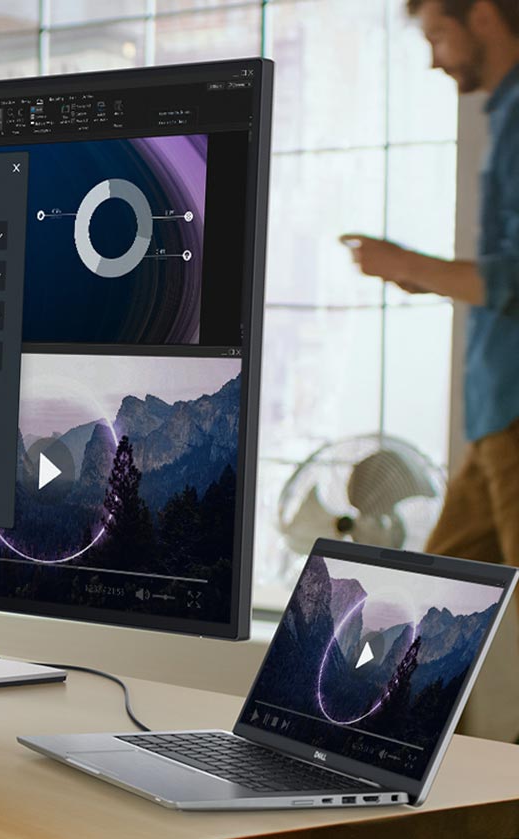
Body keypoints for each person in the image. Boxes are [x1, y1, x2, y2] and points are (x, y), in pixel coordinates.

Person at [349, 0, 519, 743]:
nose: (434, 58)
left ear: (484, 15)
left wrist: (407, 265)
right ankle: (419, 766)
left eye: (438, 36)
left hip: (513, 417)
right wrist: (420, 276)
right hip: (493, 419)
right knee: (432, 609)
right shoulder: (506, 115)